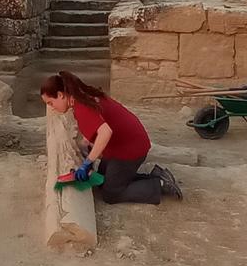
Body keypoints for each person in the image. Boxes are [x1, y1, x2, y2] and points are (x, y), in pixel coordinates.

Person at [40, 71, 182, 204]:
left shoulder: (82, 106)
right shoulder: (83, 96)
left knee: (111, 193)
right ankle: (157, 176)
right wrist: (86, 145)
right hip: (124, 142)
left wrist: (88, 162)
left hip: (130, 148)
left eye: (50, 103)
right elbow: (98, 124)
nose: (51, 107)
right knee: (102, 180)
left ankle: (160, 185)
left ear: (61, 95)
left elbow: (105, 132)